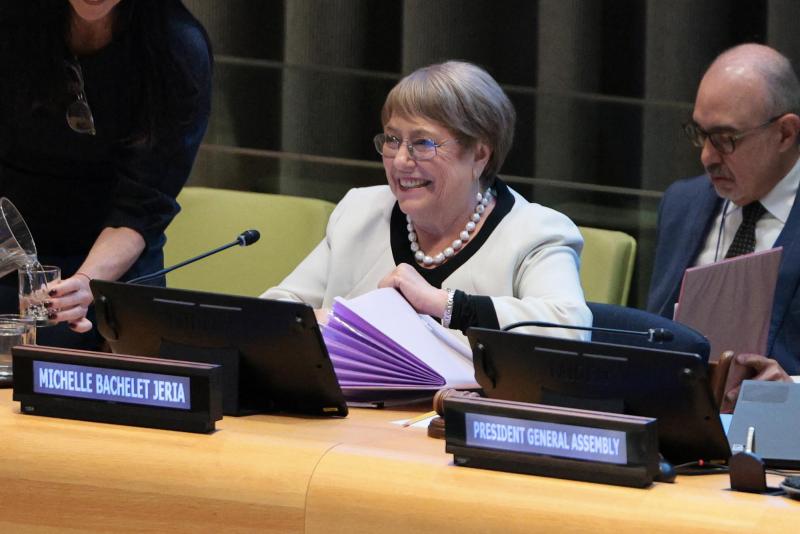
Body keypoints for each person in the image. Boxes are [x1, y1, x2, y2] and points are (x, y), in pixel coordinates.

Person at [262, 61, 591, 339]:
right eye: (392, 140)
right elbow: (276, 308)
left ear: (479, 155)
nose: (401, 161)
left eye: (423, 143)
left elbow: (570, 327)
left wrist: (443, 305)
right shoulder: (359, 212)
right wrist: (332, 320)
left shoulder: (535, 232)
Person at [0, 0, 212, 349]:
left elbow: (143, 203)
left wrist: (87, 281)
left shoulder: (177, 47)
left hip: (117, 270)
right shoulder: (12, 24)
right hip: (11, 255)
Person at [647, 44, 800, 400]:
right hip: (677, 426)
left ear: (786, 133)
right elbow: (654, 332)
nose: (706, 157)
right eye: (700, 134)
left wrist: (792, 388)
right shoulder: (681, 204)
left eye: (726, 140)